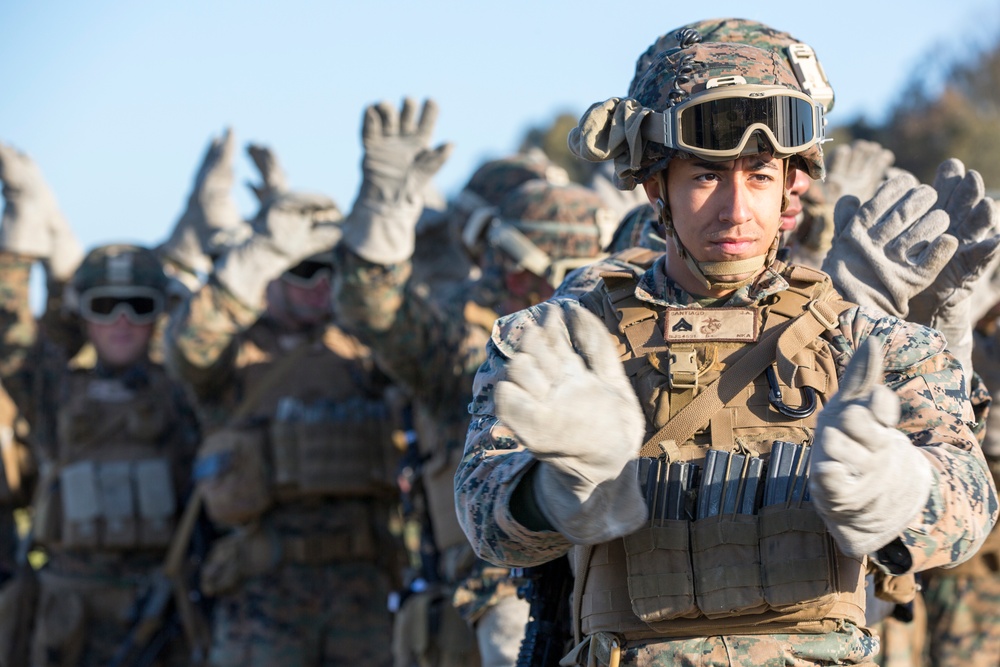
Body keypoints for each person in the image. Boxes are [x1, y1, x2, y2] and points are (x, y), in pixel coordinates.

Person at [455, 38, 997, 667]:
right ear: (655, 185)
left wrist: (895, 490)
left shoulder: (865, 338)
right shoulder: (561, 341)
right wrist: (559, 489)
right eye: (706, 175)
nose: (736, 210)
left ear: (791, 186)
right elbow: (483, 517)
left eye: (761, 176)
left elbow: (971, 503)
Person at [332, 98, 611, 667]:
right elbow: (375, 310)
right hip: (491, 597)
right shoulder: (465, 344)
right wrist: (381, 223)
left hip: (612, 584)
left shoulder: (621, 332)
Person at [166, 185, 406, 667]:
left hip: (363, 587)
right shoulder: (236, 356)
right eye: (304, 269)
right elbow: (189, 346)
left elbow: (429, 341)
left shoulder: (366, 350)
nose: (321, 284)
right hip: (261, 592)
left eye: (332, 269)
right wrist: (262, 252)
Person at [0, 241, 200, 666]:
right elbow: (11, 336)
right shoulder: (55, 395)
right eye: (105, 305)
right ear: (82, 315)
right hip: (70, 616)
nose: (121, 322)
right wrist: (17, 252)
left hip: (162, 608)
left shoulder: (186, 396)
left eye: (139, 307)